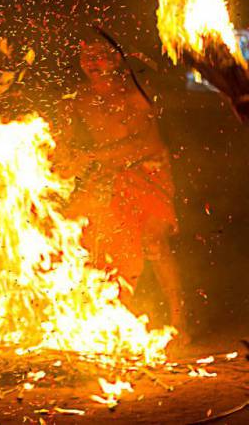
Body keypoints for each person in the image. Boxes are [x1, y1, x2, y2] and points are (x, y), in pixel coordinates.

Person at [59, 39, 188, 340]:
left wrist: (91, 156)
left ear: (116, 60)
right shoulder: (79, 99)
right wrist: (63, 160)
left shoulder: (134, 94)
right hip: (110, 174)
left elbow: (144, 142)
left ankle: (181, 323)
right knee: (84, 236)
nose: (92, 62)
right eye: (87, 56)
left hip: (148, 170)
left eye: (100, 56)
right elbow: (66, 141)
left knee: (153, 243)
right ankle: (107, 321)